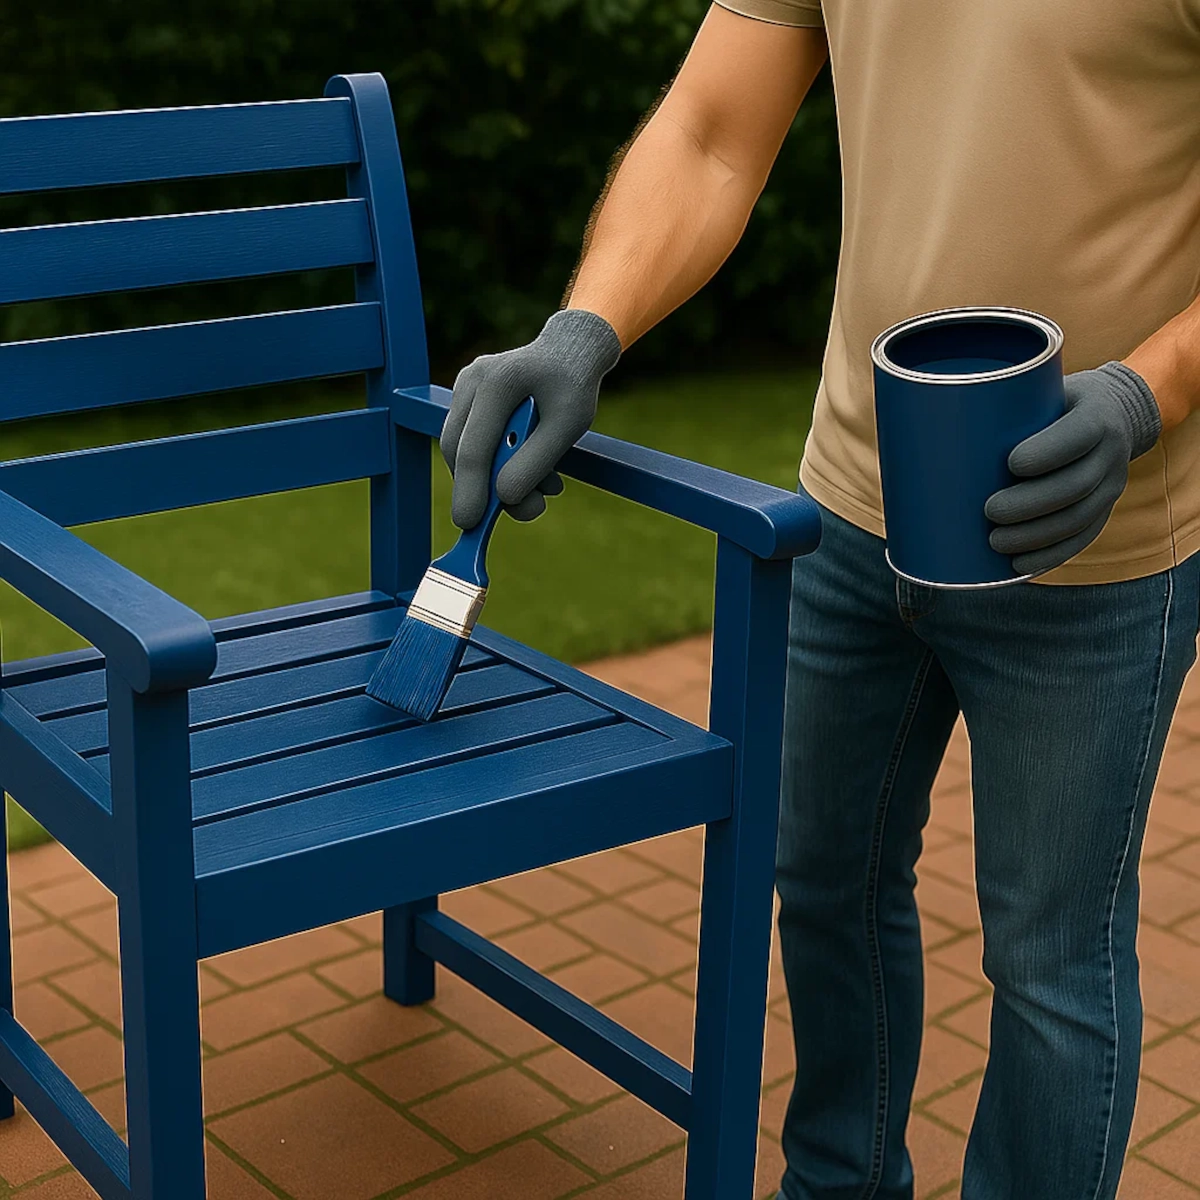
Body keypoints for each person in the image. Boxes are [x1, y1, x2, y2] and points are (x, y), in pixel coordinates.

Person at [438, 2, 1200, 1196]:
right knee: (826, 885)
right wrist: (587, 327)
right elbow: (710, 131)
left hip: (1091, 542)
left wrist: (1148, 392)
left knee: (1052, 967)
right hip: (850, 503)